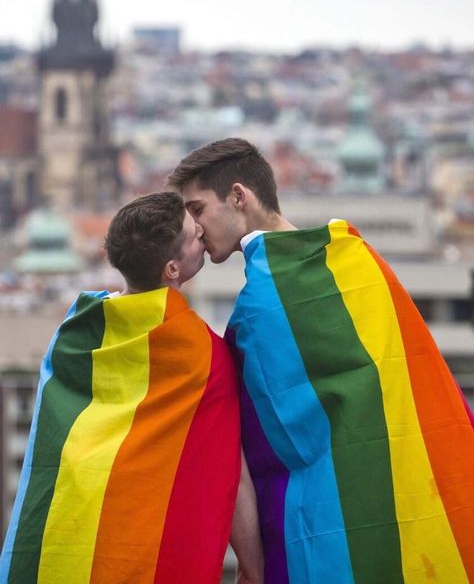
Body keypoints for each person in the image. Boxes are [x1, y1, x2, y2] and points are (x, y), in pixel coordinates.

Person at [168, 138, 474, 584]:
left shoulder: (258, 307)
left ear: (239, 196)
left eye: (197, 210)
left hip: (321, 527)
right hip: (404, 496)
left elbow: (248, 436)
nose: (194, 228)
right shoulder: (357, 260)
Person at [0, 192, 262, 584]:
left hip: (66, 540)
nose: (203, 233)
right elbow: (233, 472)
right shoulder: (202, 355)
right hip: (140, 551)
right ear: (172, 269)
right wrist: (255, 568)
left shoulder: (76, 332)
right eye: (194, 234)